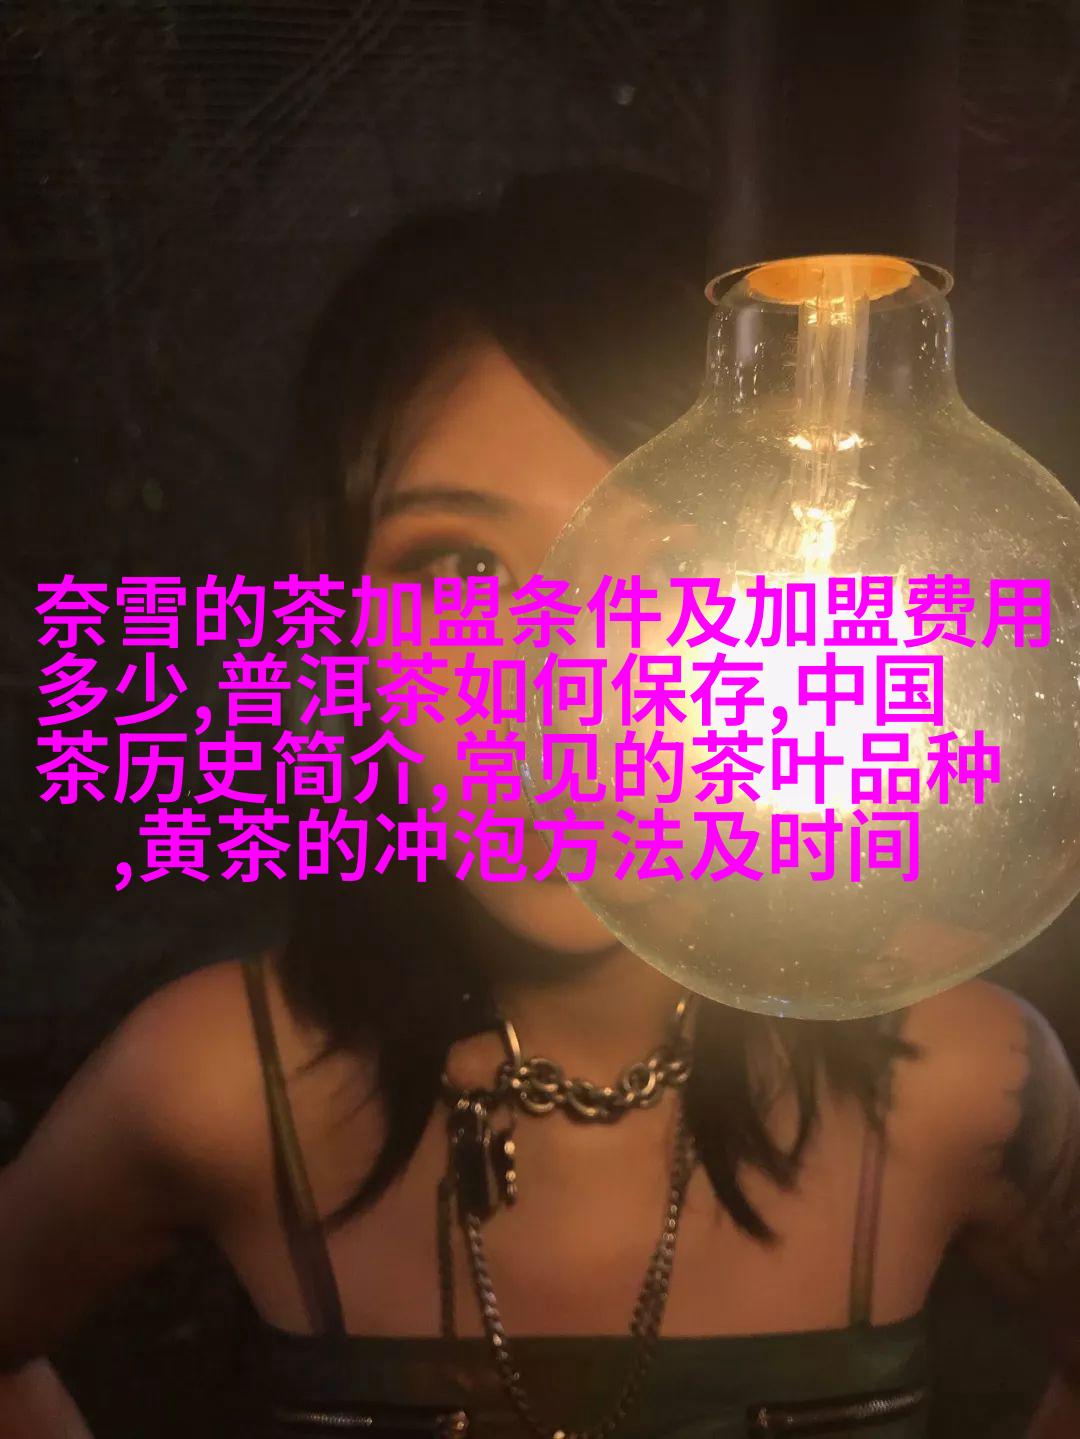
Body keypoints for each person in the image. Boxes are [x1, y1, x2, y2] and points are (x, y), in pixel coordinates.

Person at [2, 169, 1079, 1439]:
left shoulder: (967, 1077)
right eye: (460, 565)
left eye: (673, 561)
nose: (558, 683)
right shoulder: (217, 1081)